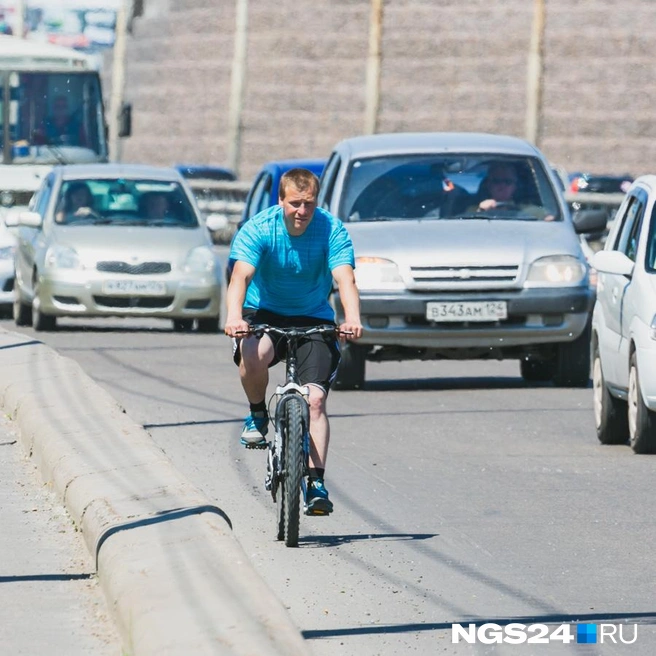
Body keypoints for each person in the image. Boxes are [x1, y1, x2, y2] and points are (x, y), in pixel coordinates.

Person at [224, 168, 363, 515]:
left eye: (309, 205)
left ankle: (316, 483)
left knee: (315, 400)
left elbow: (345, 279)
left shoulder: (331, 228)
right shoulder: (259, 228)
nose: (302, 212)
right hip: (265, 313)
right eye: (295, 204)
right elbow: (240, 276)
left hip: (313, 318)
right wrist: (234, 317)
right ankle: (258, 414)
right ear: (281, 201)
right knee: (253, 354)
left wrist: (352, 318)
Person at [472, 161, 554, 220]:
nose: (502, 186)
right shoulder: (472, 211)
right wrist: (480, 212)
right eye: (496, 181)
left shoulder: (532, 212)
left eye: (508, 182)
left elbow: (552, 224)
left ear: (515, 186)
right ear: (488, 185)